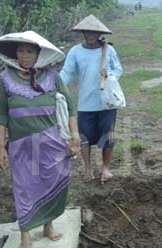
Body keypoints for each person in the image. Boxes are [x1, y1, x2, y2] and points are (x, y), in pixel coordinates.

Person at [0, 31, 80, 248]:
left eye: (29, 51)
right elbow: (1, 115)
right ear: (15, 54)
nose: (24, 55)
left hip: (52, 142)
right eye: (20, 51)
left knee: (54, 181)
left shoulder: (51, 76)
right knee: (24, 187)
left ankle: (48, 225)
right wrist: (1, 148)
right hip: (21, 146)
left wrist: (75, 137)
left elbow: (70, 108)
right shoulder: (5, 79)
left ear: (38, 54)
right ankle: (25, 234)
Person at [61, 15, 123, 183]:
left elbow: (118, 69)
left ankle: (105, 168)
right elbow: (66, 73)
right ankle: (88, 168)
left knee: (108, 136)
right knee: (83, 137)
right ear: (83, 33)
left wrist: (109, 75)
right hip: (85, 103)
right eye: (87, 32)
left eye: (94, 33)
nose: (91, 36)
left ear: (99, 34)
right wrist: (56, 87)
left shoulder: (108, 50)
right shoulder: (75, 52)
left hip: (106, 102)